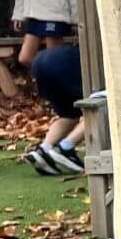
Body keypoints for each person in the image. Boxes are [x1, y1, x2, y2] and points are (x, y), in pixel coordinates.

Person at [27, 41, 86, 175]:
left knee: (68, 115)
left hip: (40, 61)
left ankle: (43, 150)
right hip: (65, 63)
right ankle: (66, 148)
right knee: (100, 107)